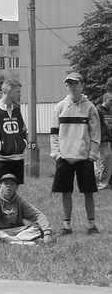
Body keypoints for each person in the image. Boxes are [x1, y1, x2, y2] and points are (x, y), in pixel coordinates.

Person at [50, 72, 101, 235]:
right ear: (66, 86)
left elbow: (95, 134)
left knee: (88, 192)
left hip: (84, 158)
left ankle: (92, 225)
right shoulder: (59, 107)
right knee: (66, 192)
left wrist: (92, 155)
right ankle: (66, 226)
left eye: (76, 83)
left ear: (82, 85)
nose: (73, 86)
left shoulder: (90, 107)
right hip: (64, 158)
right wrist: (57, 154)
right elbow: (54, 134)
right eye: (69, 83)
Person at [0, 173, 52, 245]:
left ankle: (10, 241)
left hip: (17, 230)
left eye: (12, 184)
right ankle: (21, 242)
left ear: (16, 187)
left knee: (37, 229)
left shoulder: (20, 201)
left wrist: (47, 233)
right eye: (6, 184)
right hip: (0, 231)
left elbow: (38, 215)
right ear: (0, 186)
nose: (9, 186)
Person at [94, 91, 112, 191]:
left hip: (109, 140)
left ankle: (106, 183)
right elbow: (96, 126)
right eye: (111, 100)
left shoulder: (110, 111)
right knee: (103, 163)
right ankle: (101, 184)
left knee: (108, 163)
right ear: (104, 99)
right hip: (102, 140)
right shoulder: (98, 110)